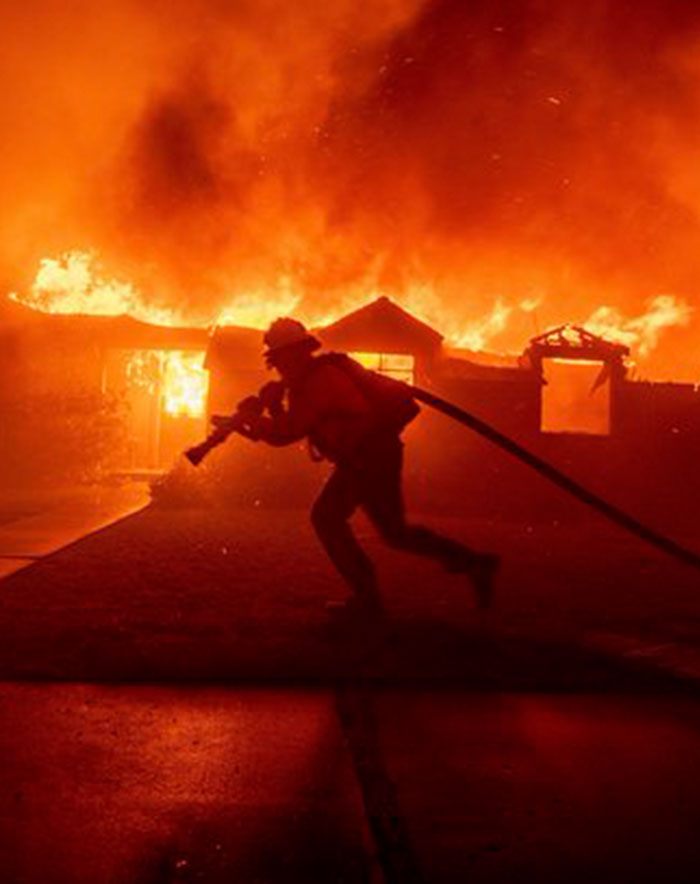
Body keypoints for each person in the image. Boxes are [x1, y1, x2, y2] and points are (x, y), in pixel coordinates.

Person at [228, 317, 499, 620]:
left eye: (278, 359)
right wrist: (271, 408)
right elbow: (288, 429)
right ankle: (473, 563)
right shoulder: (308, 382)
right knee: (394, 532)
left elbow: (286, 432)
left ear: (296, 353)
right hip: (372, 456)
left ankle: (368, 600)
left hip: (367, 457)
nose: (277, 367)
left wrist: (254, 419)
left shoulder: (320, 380)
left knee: (327, 518)